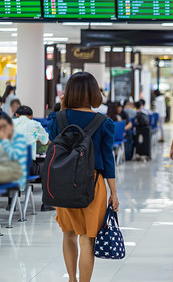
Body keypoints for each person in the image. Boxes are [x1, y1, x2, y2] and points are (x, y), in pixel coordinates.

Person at [48, 72, 119, 282]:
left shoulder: (57, 119)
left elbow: (53, 145)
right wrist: (113, 193)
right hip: (93, 185)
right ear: (94, 93)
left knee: (68, 233)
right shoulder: (104, 122)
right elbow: (108, 161)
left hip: (62, 183)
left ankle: (71, 278)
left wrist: (61, 111)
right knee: (87, 238)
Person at [13, 106, 53, 211]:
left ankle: (10, 204)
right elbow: (46, 142)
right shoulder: (35, 124)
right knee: (48, 168)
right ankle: (46, 204)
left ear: (16, 115)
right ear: (31, 116)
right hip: (26, 168)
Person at [0, 113, 27, 191]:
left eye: (4, 126)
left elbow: (14, 156)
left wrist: (5, 140)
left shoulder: (19, 138)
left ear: (11, 125)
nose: (2, 129)